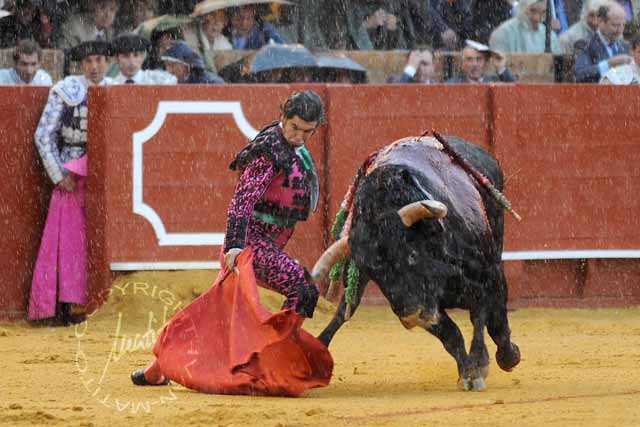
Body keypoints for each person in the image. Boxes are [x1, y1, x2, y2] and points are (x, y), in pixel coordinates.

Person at [131, 91, 332, 395]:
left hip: (265, 243)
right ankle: (271, 363)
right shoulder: (268, 153)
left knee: (214, 314)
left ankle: (157, 370)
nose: (299, 136)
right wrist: (235, 248)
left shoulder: (292, 147)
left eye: (307, 131)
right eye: (294, 128)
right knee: (301, 287)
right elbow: (241, 202)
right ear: (282, 118)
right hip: (250, 243)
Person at [29, 40, 113, 325]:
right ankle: (67, 306)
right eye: (88, 61)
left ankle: (99, 304)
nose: (94, 66)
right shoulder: (66, 91)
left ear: (108, 62)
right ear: (80, 65)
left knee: (96, 241)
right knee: (69, 244)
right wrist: (59, 175)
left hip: (108, 176)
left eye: (100, 59)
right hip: (73, 176)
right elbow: (43, 136)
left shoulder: (120, 89)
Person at [574, 2, 632, 82]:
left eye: (623, 25)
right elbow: (580, 74)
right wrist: (608, 64)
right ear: (600, 21)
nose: (620, 30)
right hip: (595, 93)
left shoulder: (626, 46)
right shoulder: (584, 44)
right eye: (615, 25)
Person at [489, 0, 561, 54]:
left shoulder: (549, 35)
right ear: (523, 7)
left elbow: (557, 65)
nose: (537, 18)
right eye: (533, 11)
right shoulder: (503, 33)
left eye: (543, 12)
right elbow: (498, 68)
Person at [183, 1, 232, 71]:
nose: (216, 23)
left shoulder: (224, 43)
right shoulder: (190, 34)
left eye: (221, 19)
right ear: (204, 18)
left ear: (225, 23)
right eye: (213, 18)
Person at [112, 33, 176, 84]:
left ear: (143, 57)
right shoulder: (110, 85)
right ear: (116, 59)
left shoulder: (160, 81)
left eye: (136, 55)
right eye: (126, 56)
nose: (132, 62)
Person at [447, 40, 517, 83]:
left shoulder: (494, 82)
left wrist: (501, 68)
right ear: (462, 64)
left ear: (485, 63)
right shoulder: (453, 84)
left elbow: (516, 91)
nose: (475, 64)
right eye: (469, 59)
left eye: (479, 59)